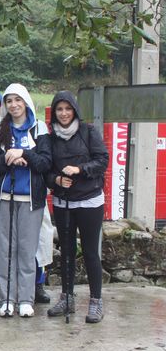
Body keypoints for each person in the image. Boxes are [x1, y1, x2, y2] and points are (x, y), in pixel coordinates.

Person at [0, 88, 52, 303]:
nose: (13, 105)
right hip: (4, 198)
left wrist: (24, 154)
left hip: (31, 200)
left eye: (17, 100)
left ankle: (26, 300)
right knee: (4, 251)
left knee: (27, 251)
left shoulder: (39, 128)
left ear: (26, 102)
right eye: (9, 101)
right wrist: (8, 159)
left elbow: (45, 162)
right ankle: (7, 299)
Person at [45, 91, 109, 323]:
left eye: (67, 109)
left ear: (75, 110)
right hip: (63, 202)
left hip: (90, 200)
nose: (63, 113)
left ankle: (95, 301)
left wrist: (79, 170)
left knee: (91, 252)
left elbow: (102, 160)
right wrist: (57, 180)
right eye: (59, 109)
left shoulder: (88, 132)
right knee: (67, 252)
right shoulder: (50, 139)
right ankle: (67, 298)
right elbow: (46, 170)